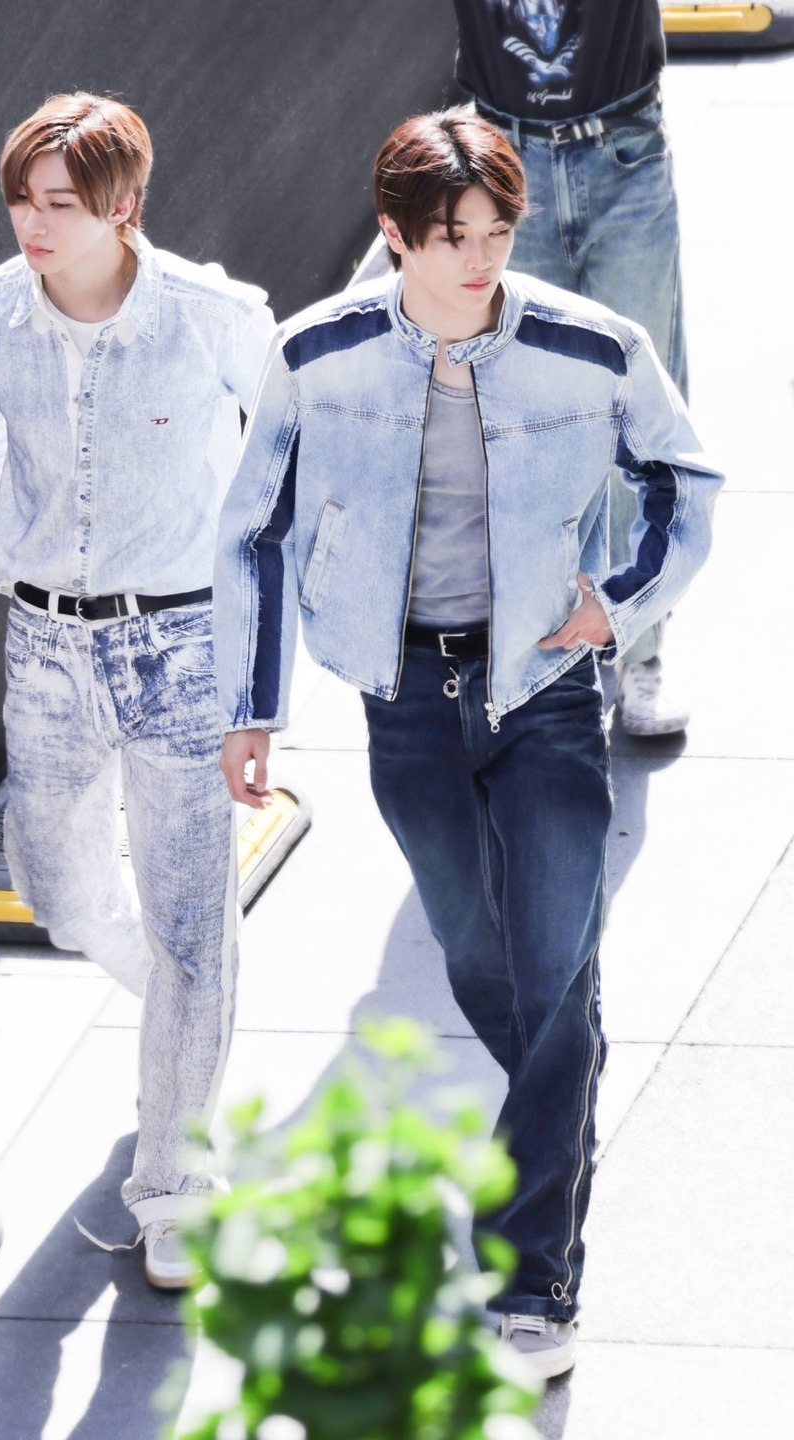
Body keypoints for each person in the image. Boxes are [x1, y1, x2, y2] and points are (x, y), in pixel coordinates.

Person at [213, 108, 722, 1377]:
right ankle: (563, 1094)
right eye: (454, 238)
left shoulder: (588, 345)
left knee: (555, 971)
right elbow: (251, 530)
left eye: (498, 231)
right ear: (395, 234)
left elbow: (683, 478)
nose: (483, 258)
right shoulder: (317, 354)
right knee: (480, 958)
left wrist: (621, 605)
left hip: (545, 689)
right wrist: (251, 704)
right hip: (404, 698)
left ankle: (534, 1277)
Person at [0, 92, 274, 1289]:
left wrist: (259, 672)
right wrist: (20, 546)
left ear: (124, 207)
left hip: (184, 643)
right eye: (21, 202)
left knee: (191, 924)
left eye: (60, 205)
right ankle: (186, 1005)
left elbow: (280, 478)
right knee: (58, 890)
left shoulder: (216, 318)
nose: (33, 225)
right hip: (44, 647)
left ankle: (176, 1182)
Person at [450, 0, 690, 736]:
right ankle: (545, 654)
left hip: (624, 153)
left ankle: (640, 651)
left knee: (639, 414)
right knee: (524, 424)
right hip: (504, 166)